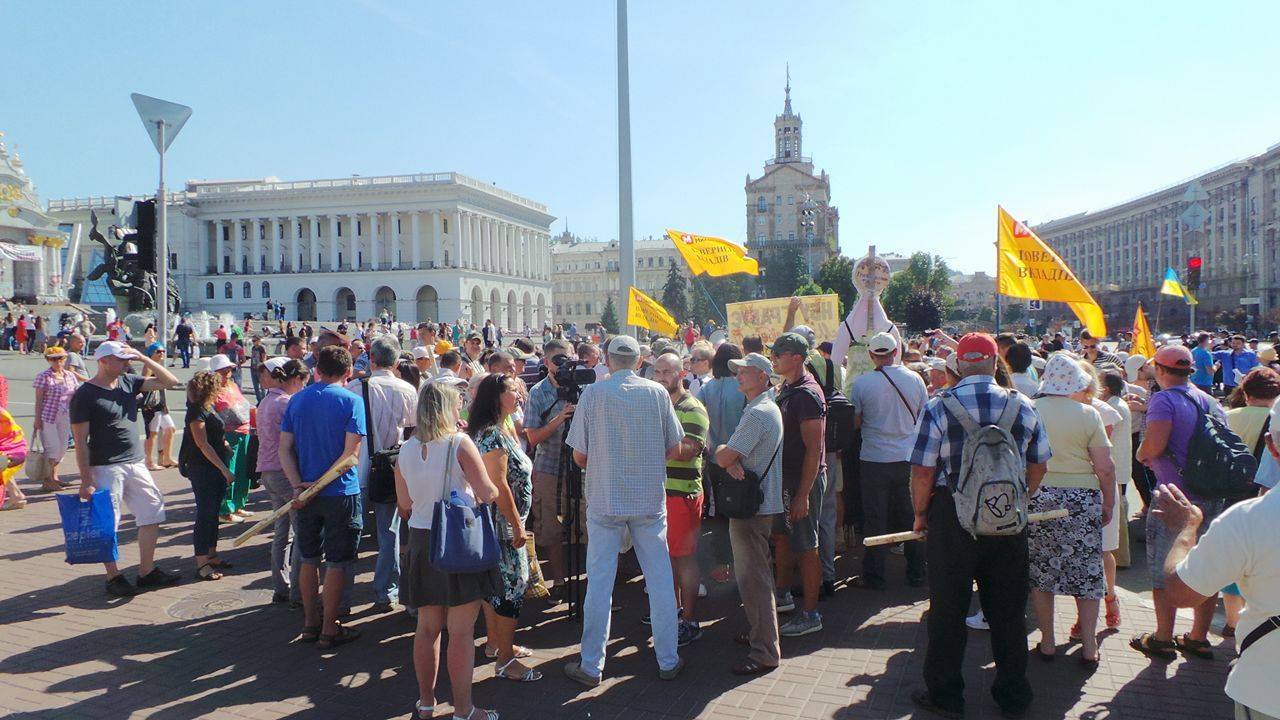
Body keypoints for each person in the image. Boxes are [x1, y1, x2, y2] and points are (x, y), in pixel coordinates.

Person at [909, 333, 1049, 719]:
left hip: (952, 519)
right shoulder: (1022, 405)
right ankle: (1014, 695)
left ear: (958, 365)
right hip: (1008, 521)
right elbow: (1039, 463)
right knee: (1007, 612)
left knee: (947, 609)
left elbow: (922, 470)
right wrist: (1021, 498)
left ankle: (946, 694)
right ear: (993, 362)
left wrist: (921, 514)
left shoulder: (939, 406)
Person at [563, 335, 686, 686]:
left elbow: (580, 456)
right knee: (660, 581)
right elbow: (675, 448)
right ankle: (668, 659)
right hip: (648, 501)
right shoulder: (658, 393)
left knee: (600, 585)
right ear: (638, 361)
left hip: (605, 499)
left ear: (608, 359)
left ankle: (591, 665)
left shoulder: (594, 394)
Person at [395, 382, 502, 720]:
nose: (463, 409)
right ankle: (463, 709)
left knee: (427, 628)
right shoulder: (459, 443)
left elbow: (405, 504)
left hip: (422, 539)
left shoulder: (406, 449)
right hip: (456, 539)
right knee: (460, 632)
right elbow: (488, 492)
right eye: (459, 403)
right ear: (446, 409)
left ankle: (426, 703)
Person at [1132, 344, 1229, 661]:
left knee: (1165, 568)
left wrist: (1142, 453)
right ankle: (1198, 638)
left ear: (1160, 370)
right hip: (1212, 494)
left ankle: (1162, 637)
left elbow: (1155, 445)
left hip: (1175, 498)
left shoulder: (1164, 399)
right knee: (1206, 567)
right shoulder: (1210, 400)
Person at [1156, 477, 1280, 719]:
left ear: (1271, 446)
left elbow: (1180, 592)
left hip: (1267, 693)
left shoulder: (1249, 519)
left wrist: (1186, 529)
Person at [71, 341, 182, 597]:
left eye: (126, 359)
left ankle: (146, 571)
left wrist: (144, 357)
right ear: (103, 361)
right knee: (109, 523)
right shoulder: (85, 395)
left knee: (152, 510)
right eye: (121, 359)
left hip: (135, 462)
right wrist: (86, 479)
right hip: (106, 467)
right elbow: (80, 441)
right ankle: (113, 575)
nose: (126, 363)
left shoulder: (128, 381)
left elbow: (170, 381)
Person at [1026, 353, 1115, 665]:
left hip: (1039, 495)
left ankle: (1047, 640)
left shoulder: (1030, 409)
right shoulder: (1088, 414)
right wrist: (1109, 502)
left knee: (1041, 570)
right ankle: (1089, 644)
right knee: (1087, 571)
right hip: (1082, 497)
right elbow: (1104, 467)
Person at [279, 345, 365, 650]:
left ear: (317, 367)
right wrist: (313, 485)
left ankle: (310, 623)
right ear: (348, 372)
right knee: (337, 562)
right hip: (340, 493)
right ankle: (329, 627)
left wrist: (298, 486)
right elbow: (350, 456)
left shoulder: (297, 400)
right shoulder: (351, 401)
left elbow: (283, 449)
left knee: (309, 558)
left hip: (306, 494)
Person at [713, 352, 784, 675]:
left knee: (754, 580)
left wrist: (724, 454)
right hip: (758, 505)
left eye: (746, 371)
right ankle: (761, 639)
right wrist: (729, 456)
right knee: (756, 577)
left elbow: (724, 456)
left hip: (751, 509)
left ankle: (765, 651)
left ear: (763, 377)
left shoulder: (757, 413)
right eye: (739, 371)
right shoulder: (763, 408)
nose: (739, 375)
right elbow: (731, 457)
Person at [468, 374, 540, 682]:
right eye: (513, 390)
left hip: (502, 523)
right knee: (512, 587)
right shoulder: (493, 435)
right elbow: (499, 486)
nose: (520, 394)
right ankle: (506, 661)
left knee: (497, 589)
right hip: (503, 526)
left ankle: (497, 644)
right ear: (497, 397)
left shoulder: (498, 430)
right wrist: (516, 526)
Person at [847, 331, 928, 591]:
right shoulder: (916, 379)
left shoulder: (862, 384)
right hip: (907, 458)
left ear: (871, 355)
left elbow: (856, 423)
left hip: (874, 459)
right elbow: (922, 416)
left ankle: (874, 576)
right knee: (913, 516)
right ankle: (916, 573)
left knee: (875, 518)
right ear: (896, 353)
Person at [345, 336, 418, 613]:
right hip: (392, 469)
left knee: (352, 533)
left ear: (371, 359)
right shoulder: (407, 389)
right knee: (389, 533)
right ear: (397, 361)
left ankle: (343, 596)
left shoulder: (355, 386)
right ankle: (385, 590)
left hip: (357, 468)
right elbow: (411, 431)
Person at [768, 332, 827, 637]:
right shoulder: (789, 388)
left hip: (802, 480)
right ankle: (783, 594)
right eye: (774, 353)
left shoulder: (805, 395)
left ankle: (811, 612)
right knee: (782, 536)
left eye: (780, 353)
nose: (774, 358)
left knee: (806, 544)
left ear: (798, 358)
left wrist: (803, 494)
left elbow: (814, 451)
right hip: (786, 477)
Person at [653, 352, 710, 645]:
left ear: (681, 373)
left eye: (667, 372)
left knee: (684, 559)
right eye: (657, 372)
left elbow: (689, 449)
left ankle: (688, 619)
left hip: (682, 494)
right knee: (667, 559)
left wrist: (649, 447)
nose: (661, 377)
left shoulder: (692, 407)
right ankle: (671, 613)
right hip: (663, 493)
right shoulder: (661, 405)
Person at [1219, 366, 1279, 636]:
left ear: (1245, 392)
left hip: (1233, 496)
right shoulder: (1275, 419)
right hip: (1266, 500)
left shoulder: (1228, 417)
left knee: (1235, 560)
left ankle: (1232, 621)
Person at [521, 338, 578, 598]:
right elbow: (532, 438)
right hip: (549, 466)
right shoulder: (538, 392)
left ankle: (584, 580)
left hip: (581, 466)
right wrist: (559, 419)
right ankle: (559, 581)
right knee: (551, 526)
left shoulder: (584, 387)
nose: (562, 365)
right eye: (557, 360)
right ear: (546, 362)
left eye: (566, 358)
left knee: (586, 523)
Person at [256, 357, 308, 605]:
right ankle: (298, 590)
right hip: (285, 472)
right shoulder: (287, 403)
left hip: (267, 470)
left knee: (281, 531)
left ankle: (280, 585)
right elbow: (294, 441)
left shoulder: (267, 400)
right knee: (300, 532)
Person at [698, 342, 747, 585]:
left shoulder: (707, 388)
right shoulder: (742, 387)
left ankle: (722, 564)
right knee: (744, 511)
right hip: (741, 456)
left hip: (714, 458)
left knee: (719, 513)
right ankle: (742, 563)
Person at [179, 371, 235, 581]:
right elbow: (202, 444)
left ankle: (211, 554)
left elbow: (214, 436)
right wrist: (224, 469)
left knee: (213, 513)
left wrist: (225, 446)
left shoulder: (206, 407)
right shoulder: (196, 411)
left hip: (214, 467)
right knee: (205, 514)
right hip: (204, 468)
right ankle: (202, 563)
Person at [209, 355, 254, 524]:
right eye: (223, 370)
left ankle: (239, 504)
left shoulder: (233, 385)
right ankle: (225, 509)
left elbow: (243, 405)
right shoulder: (212, 391)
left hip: (244, 430)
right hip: (228, 434)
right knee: (230, 471)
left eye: (228, 369)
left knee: (244, 470)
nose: (227, 372)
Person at [33, 346, 80, 491]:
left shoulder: (70, 375)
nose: (57, 362)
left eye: (60, 358)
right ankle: (48, 480)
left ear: (65, 359)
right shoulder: (44, 376)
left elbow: (77, 394)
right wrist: (37, 419)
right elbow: (39, 399)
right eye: (53, 359)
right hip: (49, 415)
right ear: (48, 360)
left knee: (63, 447)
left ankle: (54, 477)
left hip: (65, 415)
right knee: (52, 447)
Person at [140, 345, 177, 470]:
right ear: (151, 353)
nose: (161, 354)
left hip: (161, 405)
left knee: (170, 429)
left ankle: (167, 458)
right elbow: (144, 383)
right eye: (158, 351)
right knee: (152, 433)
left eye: (163, 351)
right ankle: (149, 461)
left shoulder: (158, 366)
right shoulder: (149, 366)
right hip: (151, 405)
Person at [0, 406, 29, 511]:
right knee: (3, 464)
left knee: (2, 463)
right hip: (14, 444)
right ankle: (16, 496)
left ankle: (16, 496)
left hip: (11, 445)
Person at [249, 336, 268, 401]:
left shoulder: (262, 348)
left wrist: (261, 366)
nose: (253, 342)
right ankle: (259, 400)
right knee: (255, 387)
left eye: (254, 341)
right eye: (252, 341)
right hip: (253, 368)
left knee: (262, 386)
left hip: (259, 369)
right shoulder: (253, 348)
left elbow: (264, 358)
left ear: (258, 341)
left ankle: (264, 400)